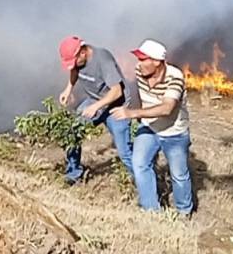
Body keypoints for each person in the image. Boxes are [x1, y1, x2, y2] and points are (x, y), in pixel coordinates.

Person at [111, 39, 194, 215]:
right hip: (149, 128)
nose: (138, 64)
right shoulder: (139, 72)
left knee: (179, 175)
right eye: (139, 59)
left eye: (143, 59)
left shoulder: (175, 77)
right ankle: (151, 210)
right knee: (139, 164)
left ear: (157, 62)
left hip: (174, 133)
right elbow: (136, 94)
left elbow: (167, 108)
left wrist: (132, 113)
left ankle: (184, 213)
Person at [57, 35, 135, 184]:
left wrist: (96, 107)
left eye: (74, 61)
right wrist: (68, 89)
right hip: (95, 101)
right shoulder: (78, 62)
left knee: (124, 151)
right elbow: (73, 70)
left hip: (117, 106)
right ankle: (73, 175)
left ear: (83, 52)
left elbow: (117, 91)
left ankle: (141, 182)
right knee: (72, 133)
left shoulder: (103, 60)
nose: (73, 65)